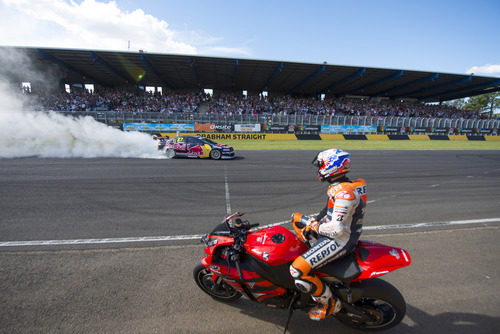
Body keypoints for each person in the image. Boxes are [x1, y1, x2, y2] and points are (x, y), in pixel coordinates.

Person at [289, 148, 367, 321]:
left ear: (333, 166)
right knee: (296, 218)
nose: (319, 168)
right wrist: (311, 221)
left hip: (340, 239)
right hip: (341, 232)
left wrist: (313, 224)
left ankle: (329, 303)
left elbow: (336, 229)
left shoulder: (344, 193)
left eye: (321, 165)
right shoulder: (340, 187)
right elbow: (327, 211)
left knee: (297, 270)